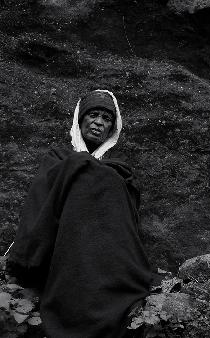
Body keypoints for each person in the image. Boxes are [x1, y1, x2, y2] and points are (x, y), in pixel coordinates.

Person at [7, 90, 152, 337]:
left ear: (112, 129)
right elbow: (40, 205)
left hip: (107, 258)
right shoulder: (58, 159)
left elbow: (126, 220)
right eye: (93, 115)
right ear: (79, 120)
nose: (99, 122)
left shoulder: (119, 172)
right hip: (63, 253)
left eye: (107, 119)